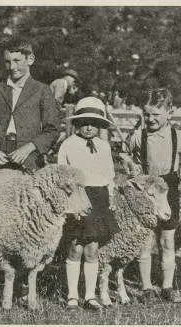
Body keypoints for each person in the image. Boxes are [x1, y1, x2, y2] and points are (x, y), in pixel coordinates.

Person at [127, 88, 181, 303]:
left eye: (156, 115)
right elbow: (127, 155)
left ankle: (168, 285)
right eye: (146, 114)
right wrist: (132, 167)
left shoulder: (178, 136)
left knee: (168, 240)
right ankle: (147, 287)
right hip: (148, 190)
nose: (150, 119)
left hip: (170, 188)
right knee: (146, 240)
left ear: (170, 112)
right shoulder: (138, 136)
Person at [57, 97, 116, 311]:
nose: (89, 127)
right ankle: (72, 295)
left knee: (92, 248)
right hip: (78, 197)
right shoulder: (68, 145)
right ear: (77, 124)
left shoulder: (104, 146)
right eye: (84, 123)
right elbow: (62, 173)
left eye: (93, 123)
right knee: (76, 247)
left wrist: (110, 198)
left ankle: (90, 296)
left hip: (99, 197)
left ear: (100, 125)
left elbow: (109, 175)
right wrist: (69, 202)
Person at [0, 38, 59, 171]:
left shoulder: (42, 90)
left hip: (28, 159)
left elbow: (52, 130)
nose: (12, 67)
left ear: (30, 59)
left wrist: (29, 147)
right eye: (8, 62)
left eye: (17, 61)